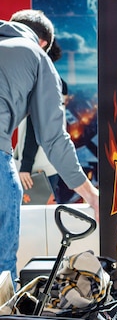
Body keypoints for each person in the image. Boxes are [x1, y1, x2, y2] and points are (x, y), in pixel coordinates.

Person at [0, 10, 100, 281]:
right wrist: (90, 195)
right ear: (43, 42)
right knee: (2, 265)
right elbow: (52, 137)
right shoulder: (37, 58)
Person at [15, 40, 72, 204]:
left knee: (34, 219)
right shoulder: (58, 84)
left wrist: (26, 165)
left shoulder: (40, 86)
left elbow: (35, 127)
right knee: (47, 216)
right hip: (51, 162)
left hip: (36, 167)